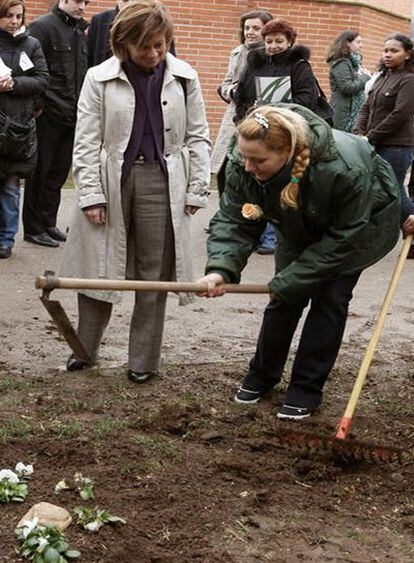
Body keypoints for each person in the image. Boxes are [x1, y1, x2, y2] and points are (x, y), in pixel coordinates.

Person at [197, 104, 401, 420]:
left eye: (259, 160)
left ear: (288, 152)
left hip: (358, 229)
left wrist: (293, 278)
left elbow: (343, 238)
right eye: (245, 157)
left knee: (329, 300)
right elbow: (236, 220)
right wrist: (220, 270)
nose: (248, 166)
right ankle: (262, 375)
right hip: (297, 221)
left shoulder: (343, 167)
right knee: (284, 297)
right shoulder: (243, 161)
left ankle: (306, 388)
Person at [59, 0, 210, 383]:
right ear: (123, 44)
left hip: (162, 180)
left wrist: (196, 189)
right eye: (145, 46)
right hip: (112, 179)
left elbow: (197, 136)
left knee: (152, 274)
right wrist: (90, 194)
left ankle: (142, 362)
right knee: (98, 270)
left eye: (160, 44)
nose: (154, 53)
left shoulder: (185, 77)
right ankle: (84, 349)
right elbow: (86, 140)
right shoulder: (98, 78)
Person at [233, 19, 320, 255]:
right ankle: (252, 231)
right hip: (255, 127)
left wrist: (281, 108)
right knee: (253, 182)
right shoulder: (253, 63)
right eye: (269, 41)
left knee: (279, 181)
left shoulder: (299, 65)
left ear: (289, 42)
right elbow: (241, 95)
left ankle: (273, 235)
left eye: (279, 41)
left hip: (286, 132)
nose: (273, 46)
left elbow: (307, 99)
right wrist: (244, 118)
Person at [22, 0, 89, 247]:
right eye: (78, 1)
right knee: (40, 172)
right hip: (48, 113)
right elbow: (31, 70)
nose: (82, 6)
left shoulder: (80, 31)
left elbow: (82, 72)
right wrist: (38, 105)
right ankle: (33, 228)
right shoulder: (42, 27)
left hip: (72, 114)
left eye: (86, 2)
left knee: (59, 173)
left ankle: (48, 223)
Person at [353, 33, 414, 256]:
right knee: (377, 192)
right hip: (373, 143)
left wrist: (371, 137)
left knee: (393, 191)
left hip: (396, 146)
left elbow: (400, 114)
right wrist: (359, 133)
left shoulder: (408, 80)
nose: (388, 55)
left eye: (394, 51)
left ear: (407, 54)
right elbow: (365, 107)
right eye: (385, 50)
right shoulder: (382, 77)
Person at [0, 0, 48, 259]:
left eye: (18, 16)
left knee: (10, 187)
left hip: (17, 127)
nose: (14, 21)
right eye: (8, 16)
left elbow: (42, 79)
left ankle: (6, 239)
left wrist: (13, 84)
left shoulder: (31, 45)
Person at [211, 9, 272, 196]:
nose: (250, 32)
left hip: (260, 117)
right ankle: (225, 217)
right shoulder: (238, 53)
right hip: (234, 116)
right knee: (225, 168)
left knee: (250, 168)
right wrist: (233, 92)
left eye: (255, 28)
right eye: (246, 28)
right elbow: (225, 84)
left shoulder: (272, 55)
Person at [87, 0, 176, 67]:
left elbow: (168, 60)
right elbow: (90, 59)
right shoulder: (100, 21)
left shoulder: (159, 21)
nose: (130, 4)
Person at [327, 30, 370, 132]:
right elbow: (347, 87)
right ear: (347, 43)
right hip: (343, 113)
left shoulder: (354, 63)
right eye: (358, 42)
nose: (361, 45)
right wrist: (365, 77)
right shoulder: (341, 63)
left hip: (350, 110)